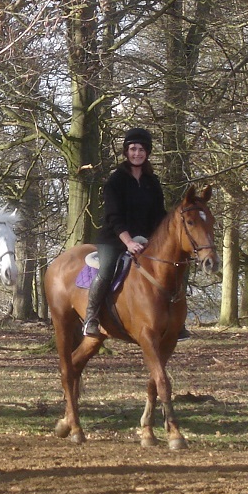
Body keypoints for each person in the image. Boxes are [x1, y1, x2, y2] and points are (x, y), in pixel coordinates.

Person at [82, 128, 169, 338]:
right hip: (115, 240)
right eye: (132, 149)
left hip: (146, 240)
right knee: (107, 270)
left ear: (147, 152)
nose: (136, 153)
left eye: (141, 149)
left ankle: (174, 320)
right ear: (126, 152)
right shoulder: (115, 181)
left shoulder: (152, 182)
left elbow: (160, 215)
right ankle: (91, 318)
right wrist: (129, 242)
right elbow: (114, 217)